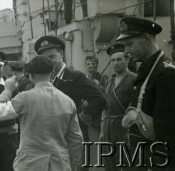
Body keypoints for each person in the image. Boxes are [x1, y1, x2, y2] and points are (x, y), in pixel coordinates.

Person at [0, 55, 83, 171]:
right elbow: (76, 140)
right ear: (52, 73)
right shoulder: (68, 102)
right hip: (60, 165)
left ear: (31, 76)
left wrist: (8, 90)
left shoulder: (24, 98)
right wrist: (71, 166)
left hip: (30, 165)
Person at [34, 35, 107, 171]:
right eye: (44, 59)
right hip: (51, 143)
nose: (48, 63)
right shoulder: (45, 81)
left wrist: (82, 117)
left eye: (51, 57)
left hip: (73, 142)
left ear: (61, 54)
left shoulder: (75, 77)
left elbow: (99, 99)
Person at [117, 16, 175, 170]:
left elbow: (167, 133)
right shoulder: (147, 69)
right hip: (138, 157)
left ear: (146, 38)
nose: (126, 52)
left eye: (129, 44)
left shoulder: (165, 73)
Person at [100, 43, 136, 171]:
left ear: (127, 59)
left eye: (119, 59)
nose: (115, 63)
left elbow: (136, 106)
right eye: (113, 60)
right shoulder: (109, 81)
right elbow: (105, 106)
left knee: (127, 163)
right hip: (109, 127)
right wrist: (102, 130)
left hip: (124, 128)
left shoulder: (134, 79)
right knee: (109, 164)